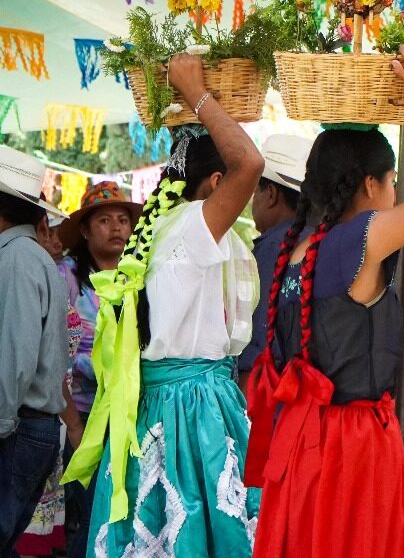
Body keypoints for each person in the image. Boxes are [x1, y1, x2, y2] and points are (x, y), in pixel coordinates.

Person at [246, 45, 404, 558]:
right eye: (392, 182)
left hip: (300, 441)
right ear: (370, 183)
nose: (394, 192)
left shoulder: (289, 243)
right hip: (353, 447)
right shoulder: (361, 239)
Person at [61, 55, 264, 557]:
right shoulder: (194, 225)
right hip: (194, 408)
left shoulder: (156, 232)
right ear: (215, 185)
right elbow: (251, 163)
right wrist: (196, 92)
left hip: (154, 406)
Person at [51, 181, 141, 557]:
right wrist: (73, 424)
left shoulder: (137, 276)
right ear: (85, 231)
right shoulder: (67, 277)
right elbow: (53, 356)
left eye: (123, 220)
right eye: (104, 220)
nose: (117, 227)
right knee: (85, 519)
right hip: (78, 416)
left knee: (119, 517)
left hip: (125, 419)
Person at [0, 146, 70, 554]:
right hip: (25, 423)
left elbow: (14, 355)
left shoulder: (17, 259)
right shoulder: (26, 256)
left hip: (18, 425)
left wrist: (2, 423)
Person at [241, 134, 313, 392]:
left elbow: (258, 339)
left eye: (255, 194)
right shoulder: (319, 238)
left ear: (270, 194)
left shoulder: (272, 248)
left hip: (272, 393)